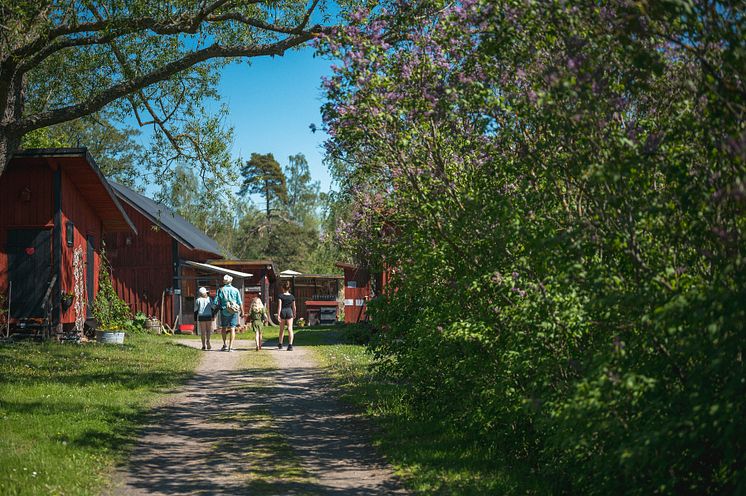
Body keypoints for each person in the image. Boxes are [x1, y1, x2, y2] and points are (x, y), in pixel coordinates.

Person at [214, 274, 243, 352]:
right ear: (231, 281)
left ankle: (224, 344)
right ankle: (231, 346)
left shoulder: (220, 290)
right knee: (233, 328)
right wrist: (242, 312)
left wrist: (215, 311)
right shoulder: (236, 290)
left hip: (224, 310)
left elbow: (216, 301)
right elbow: (240, 302)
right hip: (234, 311)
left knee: (224, 327)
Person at [276, 280, 296, 351]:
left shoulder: (280, 296)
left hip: (283, 312)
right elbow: (294, 306)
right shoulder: (292, 297)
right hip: (289, 312)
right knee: (290, 329)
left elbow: (279, 306)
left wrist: (278, 315)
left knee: (282, 329)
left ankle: (280, 344)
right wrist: (294, 313)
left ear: (283, 288)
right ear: (289, 288)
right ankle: (290, 345)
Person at [194, 287, 214, 351]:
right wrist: (213, 316)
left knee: (203, 332)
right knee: (208, 331)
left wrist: (195, 319)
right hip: (208, 316)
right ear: (206, 292)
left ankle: (203, 345)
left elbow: (196, 311)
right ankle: (208, 341)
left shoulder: (198, 300)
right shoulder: (209, 299)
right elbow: (213, 308)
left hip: (201, 316)